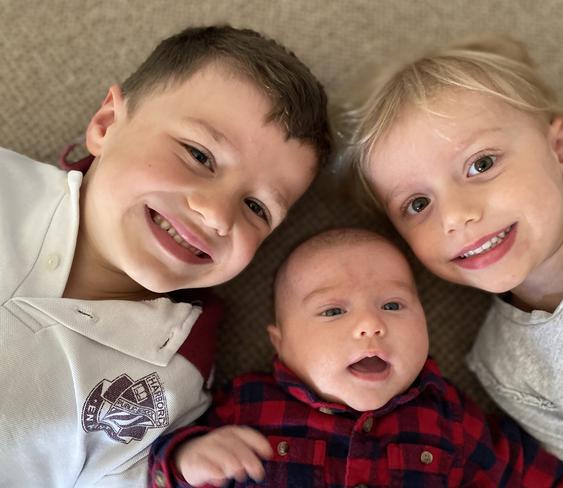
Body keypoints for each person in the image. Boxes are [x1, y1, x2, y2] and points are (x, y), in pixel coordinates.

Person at [0, 24, 331, 487]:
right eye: (198, 155)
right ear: (106, 124)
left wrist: (176, 469)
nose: (217, 214)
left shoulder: (175, 375)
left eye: (256, 207)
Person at [343, 37, 563, 487]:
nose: (455, 216)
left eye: (481, 164)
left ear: (560, 150)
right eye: (418, 204)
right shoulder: (511, 367)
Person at [148, 227, 563, 488]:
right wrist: (187, 461)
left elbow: (535, 475)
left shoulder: (450, 420)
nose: (371, 325)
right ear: (281, 343)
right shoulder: (245, 408)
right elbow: (165, 468)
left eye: (393, 305)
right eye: (333, 311)